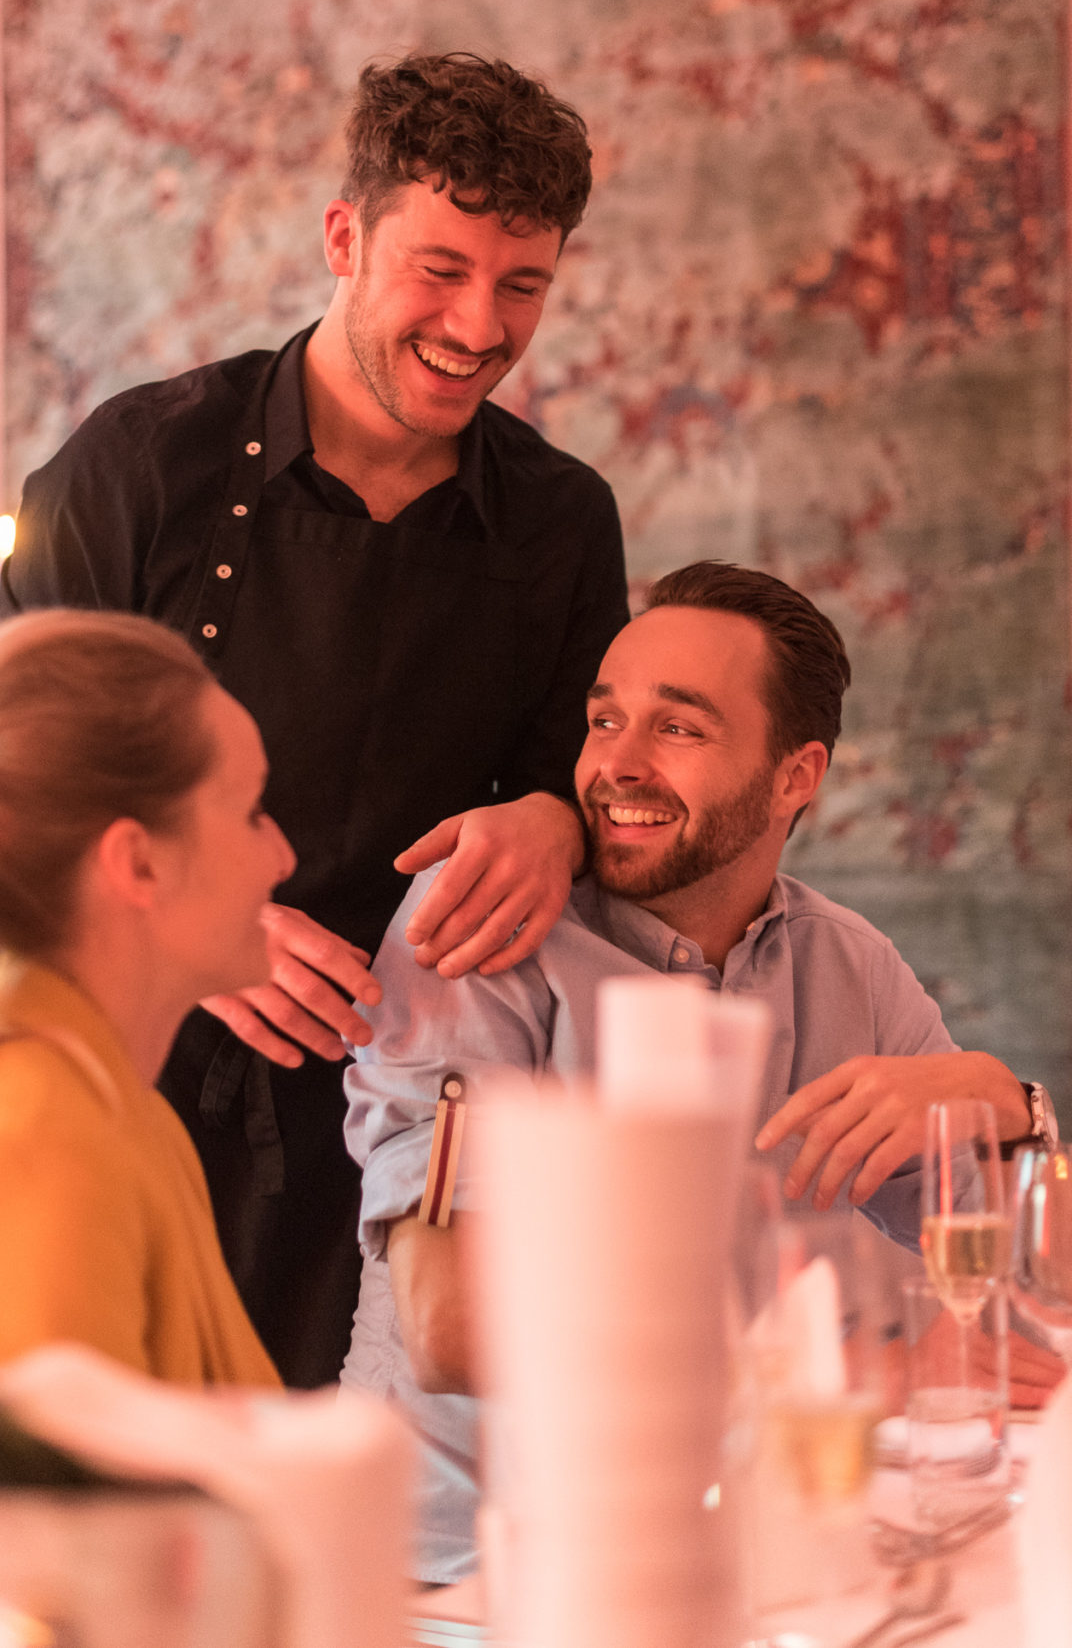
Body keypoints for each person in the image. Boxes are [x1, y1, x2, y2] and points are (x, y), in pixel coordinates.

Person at [0, 53, 630, 1386]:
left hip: (416, 1124)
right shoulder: (137, 464)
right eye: (440, 269)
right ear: (344, 236)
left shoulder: (565, 520)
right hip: (146, 1088)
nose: (479, 324)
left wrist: (553, 817)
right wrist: (198, 929)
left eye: (524, 285)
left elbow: (581, 783)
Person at [342, 560, 1060, 1583]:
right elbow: (456, 1327)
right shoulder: (481, 922)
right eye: (604, 721)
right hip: (458, 1577)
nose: (616, 764)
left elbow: (1041, 1288)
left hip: (740, 1552)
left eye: (677, 727)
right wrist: (872, 1374)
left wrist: (1005, 1102)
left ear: (795, 775)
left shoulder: (847, 962)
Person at [0, 609, 287, 1390]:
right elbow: (46, 1513)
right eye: (252, 811)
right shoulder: (36, 1148)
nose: (283, 856)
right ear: (138, 864)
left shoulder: (127, 1114)